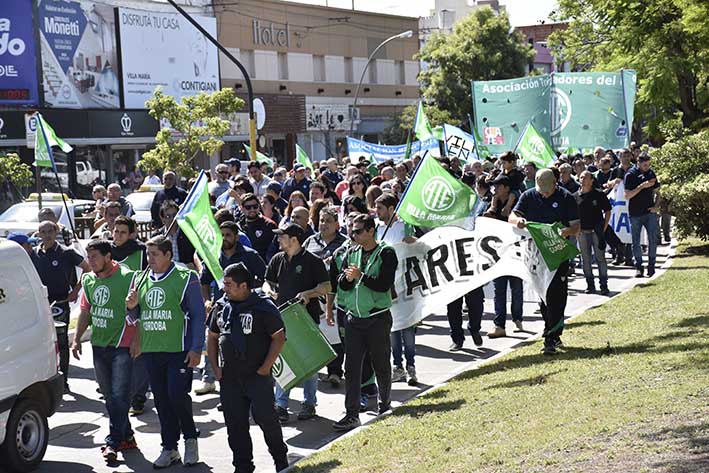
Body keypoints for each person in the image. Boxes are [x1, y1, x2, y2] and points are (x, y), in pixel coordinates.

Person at [126, 235, 206, 468]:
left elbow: (198, 315)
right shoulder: (141, 279)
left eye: (154, 254)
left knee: (177, 396)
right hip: (151, 350)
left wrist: (196, 348)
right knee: (161, 400)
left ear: (168, 255)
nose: (149, 259)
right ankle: (169, 448)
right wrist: (130, 307)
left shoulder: (185, 278)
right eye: (148, 254)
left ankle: (190, 439)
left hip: (178, 350)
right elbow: (134, 317)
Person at [207, 263, 289, 473]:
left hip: (257, 377)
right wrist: (216, 368)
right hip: (230, 378)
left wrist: (265, 368)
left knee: (267, 420)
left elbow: (279, 338)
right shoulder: (221, 306)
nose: (224, 288)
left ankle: (280, 460)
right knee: (235, 426)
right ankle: (242, 466)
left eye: (229, 284)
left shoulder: (263, 307)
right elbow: (213, 336)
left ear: (244, 286)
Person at [71, 240, 137, 462]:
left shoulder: (128, 277)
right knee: (109, 397)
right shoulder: (89, 280)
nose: (90, 262)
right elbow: (85, 312)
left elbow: (140, 311)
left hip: (122, 345)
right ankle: (126, 435)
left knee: (119, 396)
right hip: (98, 346)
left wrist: (137, 337)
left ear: (108, 256)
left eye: (95, 257)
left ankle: (112, 443)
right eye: (88, 257)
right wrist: (77, 339)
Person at [331, 214, 398, 431]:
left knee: (380, 362)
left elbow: (383, 284)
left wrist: (360, 277)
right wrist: (348, 279)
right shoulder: (352, 252)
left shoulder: (386, 253)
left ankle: (384, 403)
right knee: (351, 368)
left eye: (359, 231)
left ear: (371, 231)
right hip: (354, 320)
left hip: (377, 318)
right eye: (353, 230)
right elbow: (342, 283)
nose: (354, 234)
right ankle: (351, 414)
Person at [263, 223, 331, 422]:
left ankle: (309, 403)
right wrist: (268, 291)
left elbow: (326, 286)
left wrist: (309, 294)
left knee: (311, 362)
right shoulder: (277, 259)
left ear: (294, 239)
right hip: (280, 319)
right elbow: (268, 281)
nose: (278, 239)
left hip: (306, 319)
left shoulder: (313, 261)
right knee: (282, 360)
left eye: (281, 236)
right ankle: (281, 405)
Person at [509, 168, 580, 355]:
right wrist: (519, 221)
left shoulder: (566, 198)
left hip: (558, 254)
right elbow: (512, 216)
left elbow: (576, 227)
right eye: (542, 189)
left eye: (548, 189)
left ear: (555, 184)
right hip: (535, 255)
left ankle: (552, 336)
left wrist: (566, 231)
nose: (544, 193)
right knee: (543, 294)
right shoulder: (528, 196)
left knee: (557, 294)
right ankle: (549, 328)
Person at [197, 221, 266, 395]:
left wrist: (256, 295)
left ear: (236, 237)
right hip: (221, 309)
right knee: (215, 343)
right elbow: (204, 280)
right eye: (222, 235)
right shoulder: (214, 257)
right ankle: (213, 381)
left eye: (228, 235)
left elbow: (266, 277)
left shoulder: (250, 255)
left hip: (247, 311)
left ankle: (250, 389)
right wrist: (206, 300)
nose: (225, 239)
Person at [33, 220, 90, 391]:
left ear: (56, 231)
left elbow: (88, 269)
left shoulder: (66, 253)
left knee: (61, 341)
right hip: (40, 304)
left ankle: (63, 380)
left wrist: (76, 290)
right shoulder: (34, 254)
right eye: (43, 231)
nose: (47, 234)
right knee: (41, 343)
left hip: (60, 302)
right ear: (39, 234)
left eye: (51, 230)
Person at [484, 175, 524, 337]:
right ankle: (499, 324)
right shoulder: (492, 202)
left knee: (516, 287)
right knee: (498, 289)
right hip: (498, 252)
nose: (495, 189)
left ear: (507, 188)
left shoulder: (517, 202)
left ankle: (517, 318)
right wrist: (490, 210)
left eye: (498, 186)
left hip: (515, 251)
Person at [624, 152, 660, 277]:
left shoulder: (651, 173)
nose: (647, 167)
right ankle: (639, 266)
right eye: (645, 165)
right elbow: (627, 195)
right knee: (636, 241)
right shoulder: (630, 175)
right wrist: (641, 187)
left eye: (648, 165)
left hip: (649, 212)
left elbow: (658, 191)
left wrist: (656, 205)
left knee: (652, 239)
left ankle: (651, 266)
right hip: (635, 213)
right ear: (638, 163)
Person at [576, 170, 612, 295]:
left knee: (600, 258)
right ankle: (590, 285)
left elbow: (608, 210)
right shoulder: (575, 196)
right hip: (582, 233)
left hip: (596, 231)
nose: (583, 180)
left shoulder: (599, 194)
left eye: (586, 177)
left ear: (592, 180)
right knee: (585, 260)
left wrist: (604, 227)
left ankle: (604, 285)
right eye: (581, 177)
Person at [153, 200, 196, 270]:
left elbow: (194, 260)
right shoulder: (156, 237)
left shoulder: (187, 234)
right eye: (168, 216)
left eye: (174, 215)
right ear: (162, 218)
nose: (172, 219)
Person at [238, 193, 278, 262]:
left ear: (259, 207)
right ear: (242, 208)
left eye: (255, 206)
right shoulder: (238, 226)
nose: (252, 209)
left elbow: (274, 250)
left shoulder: (269, 225)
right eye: (248, 207)